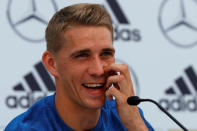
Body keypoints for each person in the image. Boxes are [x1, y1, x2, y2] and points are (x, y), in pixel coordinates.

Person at [5, 3, 154, 131]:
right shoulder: (26, 128)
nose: (97, 70)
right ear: (52, 64)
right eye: (82, 56)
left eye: (106, 54)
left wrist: (136, 125)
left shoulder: (128, 119)